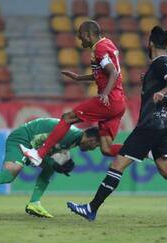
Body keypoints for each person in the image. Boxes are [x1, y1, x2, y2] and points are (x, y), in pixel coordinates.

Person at [66, 26, 167, 221]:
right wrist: (156, 85)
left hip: (149, 125)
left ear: (150, 43)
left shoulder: (160, 63)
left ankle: (91, 208)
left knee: (117, 164)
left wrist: (161, 92)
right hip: (162, 124)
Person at [20, 20, 126, 166]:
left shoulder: (99, 49)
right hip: (119, 102)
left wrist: (105, 93)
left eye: (80, 36)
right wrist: (79, 78)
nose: (79, 40)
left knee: (68, 118)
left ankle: (39, 154)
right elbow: (106, 72)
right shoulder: (108, 43)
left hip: (109, 100)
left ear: (87, 35)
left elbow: (113, 72)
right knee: (106, 149)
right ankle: (144, 150)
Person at [0, 118, 100, 218]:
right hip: (22, 139)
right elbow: (40, 154)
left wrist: (54, 164)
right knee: (9, 174)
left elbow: (47, 151)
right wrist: (54, 163)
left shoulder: (74, 139)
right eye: (96, 145)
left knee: (49, 169)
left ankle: (34, 203)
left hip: (33, 142)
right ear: (92, 139)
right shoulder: (69, 136)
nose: (94, 149)